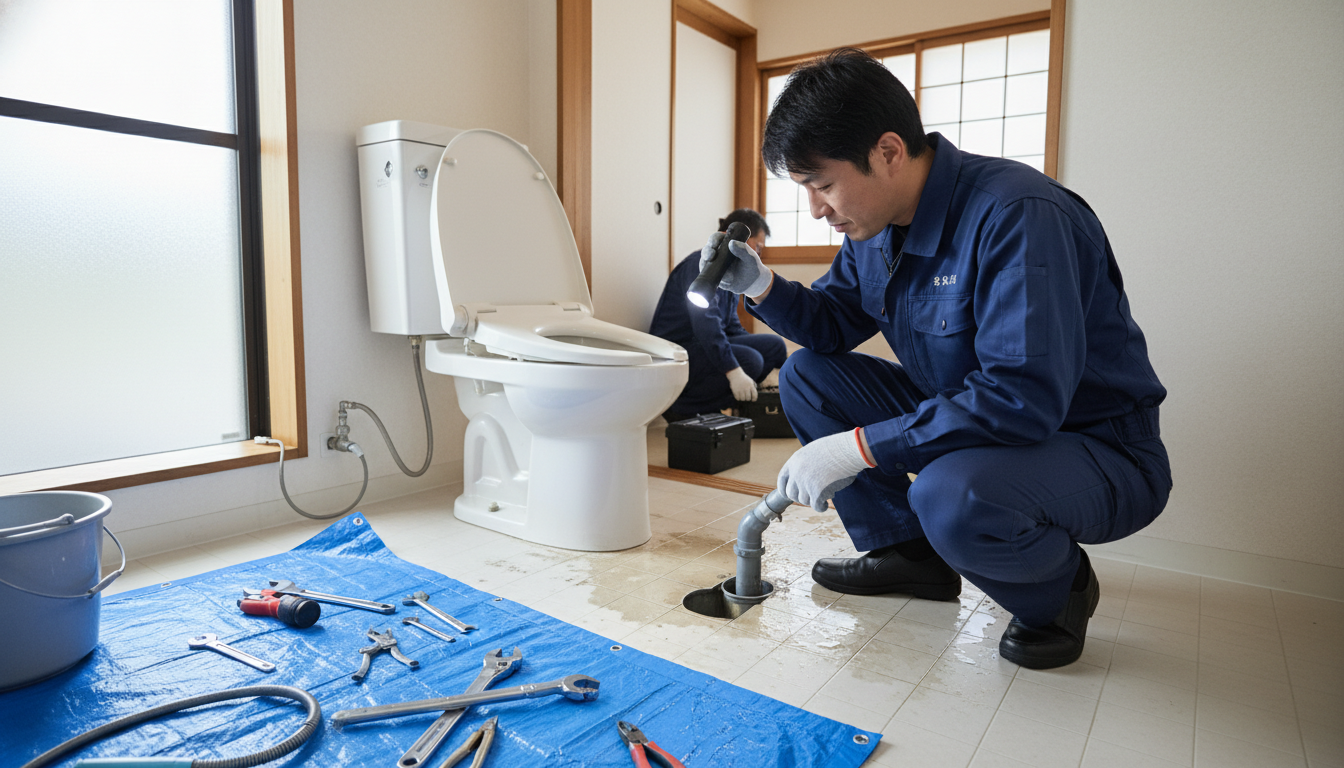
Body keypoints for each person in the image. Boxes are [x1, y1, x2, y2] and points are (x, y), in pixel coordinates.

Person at [701, 49, 1171, 670]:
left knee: (951, 497)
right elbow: (833, 327)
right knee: (810, 377)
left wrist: (859, 448)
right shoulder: (877, 229)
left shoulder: (1016, 215)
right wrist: (759, 285)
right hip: (980, 424)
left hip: (1091, 446)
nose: (817, 209)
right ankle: (910, 557)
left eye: (822, 184)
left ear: (889, 151)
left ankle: (1057, 591)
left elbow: (1020, 399)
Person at [650, 209, 788, 422]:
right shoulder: (701, 266)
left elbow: (731, 326)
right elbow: (707, 326)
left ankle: (749, 398)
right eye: (757, 246)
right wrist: (734, 371)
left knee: (773, 346)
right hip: (681, 348)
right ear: (734, 237)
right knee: (751, 361)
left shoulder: (731, 270)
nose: (758, 254)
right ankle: (682, 407)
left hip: (704, 342)